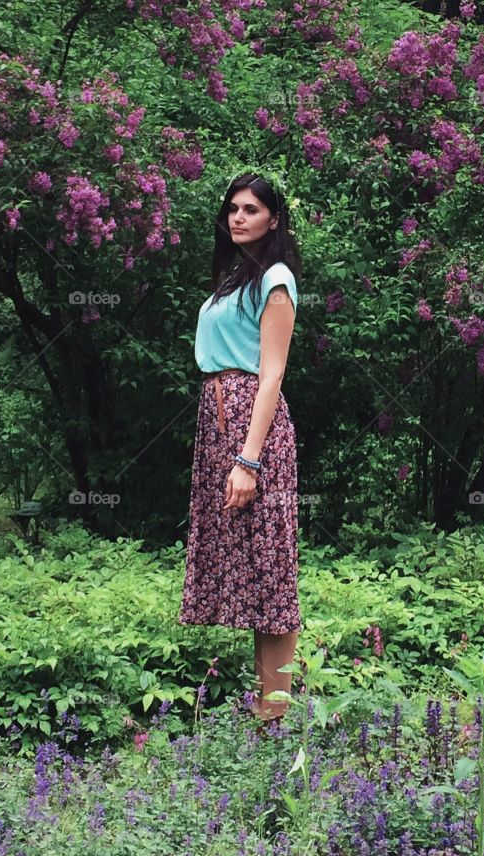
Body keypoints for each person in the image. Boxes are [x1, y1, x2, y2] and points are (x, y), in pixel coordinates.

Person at [177, 171, 303, 729]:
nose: (238, 217)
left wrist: (248, 460)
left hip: (255, 428)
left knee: (271, 573)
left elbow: (271, 374)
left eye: (251, 209)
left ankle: (274, 717)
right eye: (232, 208)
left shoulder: (275, 278)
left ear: (273, 219)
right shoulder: (234, 277)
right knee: (254, 572)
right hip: (221, 423)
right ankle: (264, 713)